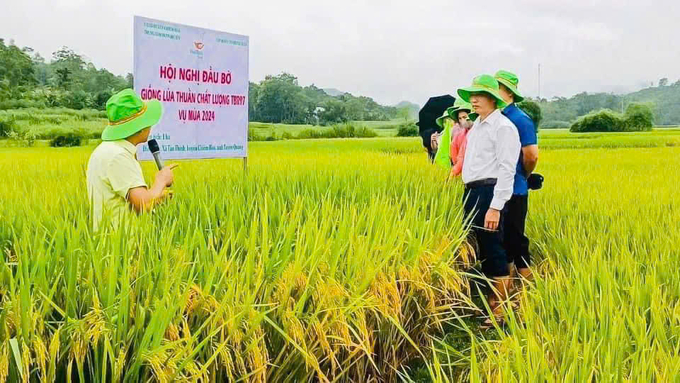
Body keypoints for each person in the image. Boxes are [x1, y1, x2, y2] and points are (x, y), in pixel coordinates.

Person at [457, 74, 521, 324]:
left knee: (494, 248)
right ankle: (487, 302)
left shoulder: (503, 128)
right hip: (472, 192)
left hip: (489, 192)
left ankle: (500, 310)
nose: (473, 100)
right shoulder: (478, 127)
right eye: (472, 95)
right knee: (480, 248)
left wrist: (495, 207)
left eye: (479, 95)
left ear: (493, 99)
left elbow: (507, 169)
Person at [86, 89, 176, 231]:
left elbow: (123, 199)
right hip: (122, 245)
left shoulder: (105, 150)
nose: (150, 127)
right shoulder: (118, 156)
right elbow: (143, 204)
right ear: (139, 128)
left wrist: (158, 196)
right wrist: (161, 180)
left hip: (110, 241)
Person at [495, 70, 539, 283]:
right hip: (495, 190)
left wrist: (522, 174)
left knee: (516, 239)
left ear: (510, 94)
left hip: (515, 189)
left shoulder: (520, 119)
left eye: (498, 88)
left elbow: (531, 155)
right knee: (502, 241)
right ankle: (509, 287)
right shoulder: (495, 118)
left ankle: (528, 290)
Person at [447, 99, 475, 178]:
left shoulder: (477, 132)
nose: (463, 120)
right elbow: (456, 155)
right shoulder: (458, 135)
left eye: (464, 117)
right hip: (461, 173)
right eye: (460, 118)